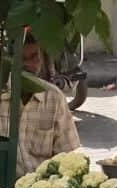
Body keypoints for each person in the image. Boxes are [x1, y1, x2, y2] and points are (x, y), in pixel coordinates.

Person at [14, 33, 81, 176]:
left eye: (34, 57)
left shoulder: (54, 98)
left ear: (42, 60)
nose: (28, 65)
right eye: (22, 59)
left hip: (41, 184)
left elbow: (66, 155)